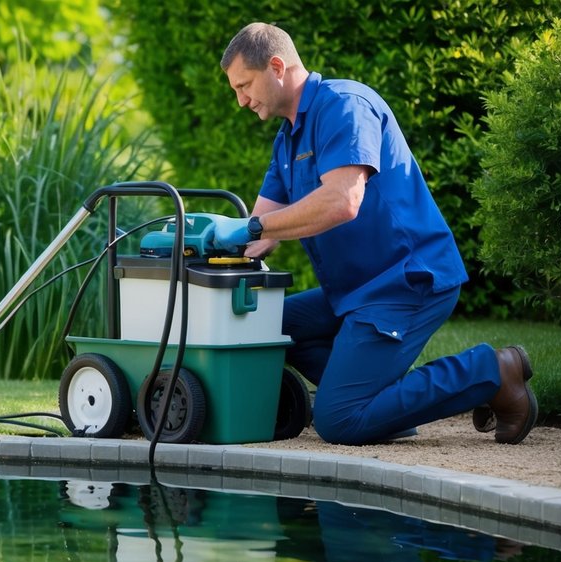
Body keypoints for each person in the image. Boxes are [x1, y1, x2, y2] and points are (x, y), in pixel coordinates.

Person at [203, 22, 537, 446]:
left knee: (339, 421)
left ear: (276, 66)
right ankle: (387, 409)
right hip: (355, 289)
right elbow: (260, 232)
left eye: (244, 85)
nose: (241, 100)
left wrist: (250, 227)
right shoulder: (287, 139)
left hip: (406, 281)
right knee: (263, 325)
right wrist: (202, 244)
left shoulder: (344, 106)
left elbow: (343, 201)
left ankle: (492, 371)